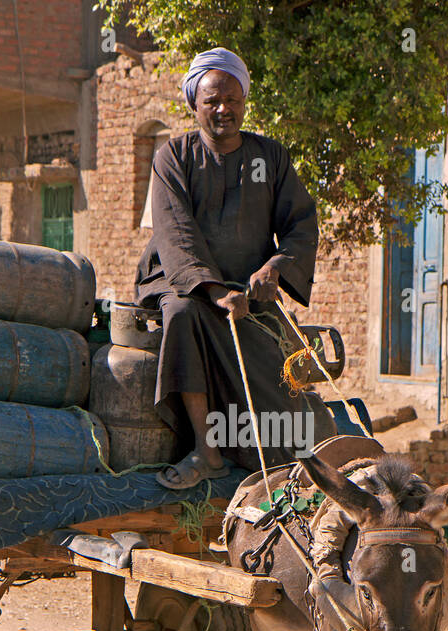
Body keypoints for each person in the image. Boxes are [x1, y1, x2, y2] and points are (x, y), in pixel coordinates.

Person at [135, 46, 319, 489]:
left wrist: (275, 267)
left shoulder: (270, 158)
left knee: (278, 362)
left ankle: (273, 458)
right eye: (212, 101)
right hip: (183, 282)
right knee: (182, 316)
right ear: (194, 104)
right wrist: (214, 291)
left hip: (248, 290)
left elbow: (301, 223)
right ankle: (206, 450)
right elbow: (175, 233)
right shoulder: (172, 157)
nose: (223, 109)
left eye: (232, 100)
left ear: (244, 102)